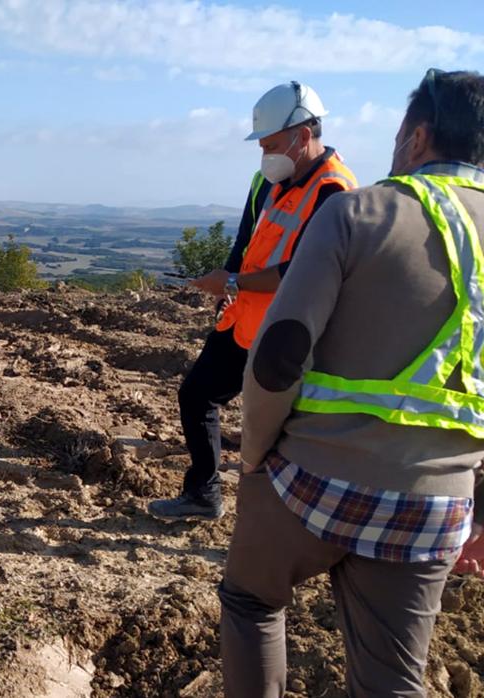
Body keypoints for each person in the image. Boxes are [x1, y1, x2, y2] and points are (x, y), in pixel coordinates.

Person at [220, 69, 484, 697]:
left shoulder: (357, 210)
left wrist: (254, 457)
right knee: (391, 678)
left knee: (252, 602)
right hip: (437, 504)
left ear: (417, 137)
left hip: (313, 482)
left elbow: (280, 357)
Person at [148, 82, 357, 521]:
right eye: (262, 145)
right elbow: (248, 242)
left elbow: (303, 272)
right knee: (197, 395)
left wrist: (235, 282)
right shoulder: (273, 180)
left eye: (272, 144)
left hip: (288, 332)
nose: (265, 154)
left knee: (276, 430)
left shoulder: (334, 192)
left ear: (303, 134)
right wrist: (228, 287)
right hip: (244, 319)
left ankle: (287, 517)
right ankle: (204, 494)